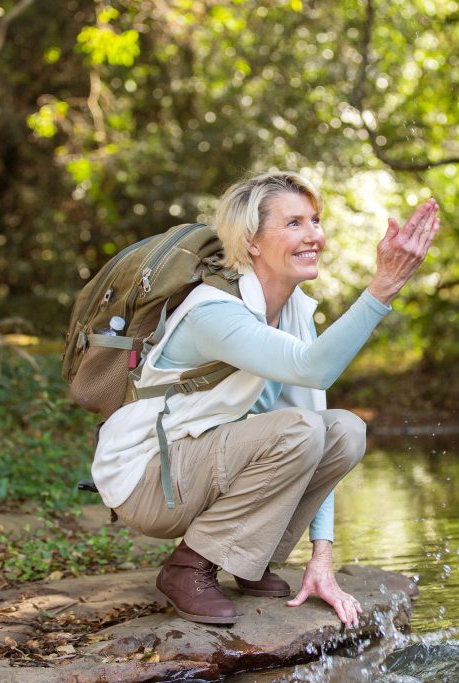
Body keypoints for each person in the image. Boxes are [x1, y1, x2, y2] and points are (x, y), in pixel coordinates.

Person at [91, 170, 439, 627]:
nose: (314, 234)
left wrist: (322, 556)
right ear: (251, 241)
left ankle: (248, 560)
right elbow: (313, 369)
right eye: (293, 223)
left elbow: (317, 424)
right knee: (301, 430)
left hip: (200, 466)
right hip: (149, 482)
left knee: (344, 430)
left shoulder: (294, 311)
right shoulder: (213, 311)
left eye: (315, 220)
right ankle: (188, 569)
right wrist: (383, 288)